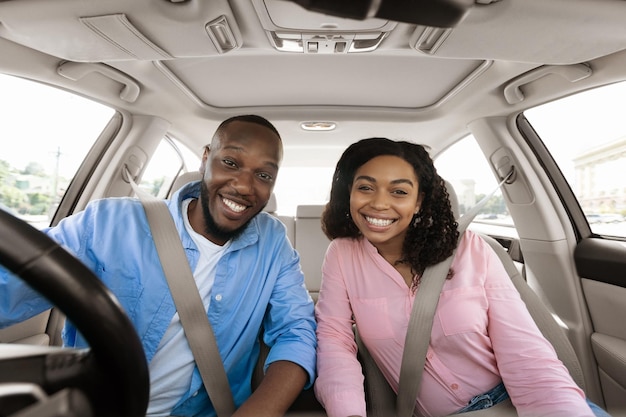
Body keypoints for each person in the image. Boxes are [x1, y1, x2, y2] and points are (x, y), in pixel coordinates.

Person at [0, 115, 317, 417]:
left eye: (264, 175)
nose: (245, 186)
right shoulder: (108, 223)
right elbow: (11, 286)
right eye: (231, 163)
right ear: (205, 158)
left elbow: (296, 330)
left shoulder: (273, 244)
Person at [313, 137, 609, 417]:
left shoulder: (472, 249)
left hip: (516, 403)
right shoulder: (342, 255)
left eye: (399, 191)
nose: (378, 204)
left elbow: (526, 354)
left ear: (418, 202)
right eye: (365, 188)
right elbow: (334, 340)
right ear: (348, 193)